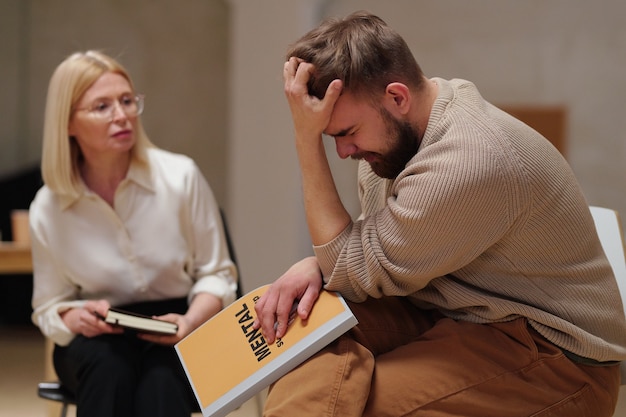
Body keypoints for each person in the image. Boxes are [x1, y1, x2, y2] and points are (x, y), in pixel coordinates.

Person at [253, 11, 626, 417]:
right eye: (330, 136)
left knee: (361, 404)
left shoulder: (468, 159)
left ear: (397, 97)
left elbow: (354, 269)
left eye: (346, 133)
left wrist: (305, 139)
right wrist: (319, 265)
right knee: (302, 334)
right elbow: (366, 254)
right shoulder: (399, 138)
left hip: (555, 357)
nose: (344, 152)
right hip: (451, 310)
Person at [30, 50, 238, 417]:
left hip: (181, 321)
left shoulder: (181, 177)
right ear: (67, 124)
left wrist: (189, 322)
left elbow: (218, 275)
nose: (122, 115)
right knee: (110, 368)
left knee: (161, 381)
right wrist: (70, 317)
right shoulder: (47, 208)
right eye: (102, 106)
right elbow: (48, 305)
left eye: (127, 101)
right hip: (99, 334)